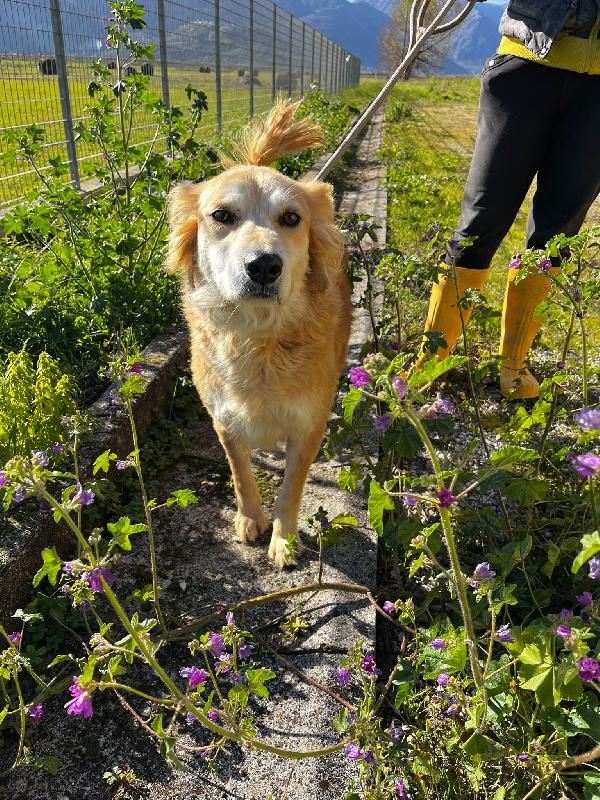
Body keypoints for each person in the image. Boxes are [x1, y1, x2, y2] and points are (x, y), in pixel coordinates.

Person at [421, 0, 600, 398]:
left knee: (557, 236)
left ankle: (514, 368)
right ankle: (429, 362)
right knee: (480, 222)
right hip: (524, 69)